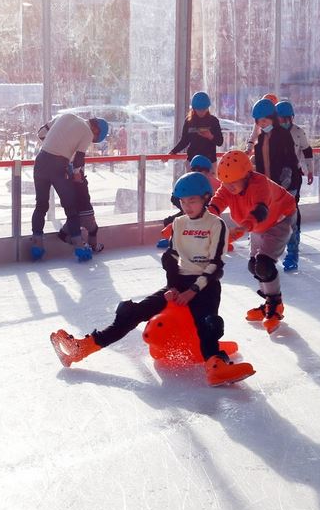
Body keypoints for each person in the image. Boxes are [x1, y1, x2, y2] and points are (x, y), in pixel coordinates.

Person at [50, 172, 256, 387]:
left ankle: (216, 366)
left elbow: (216, 264)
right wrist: (173, 287)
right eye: (183, 202)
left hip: (206, 286)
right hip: (179, 282)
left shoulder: (216, 225)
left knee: (208, 324)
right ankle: (83, 348)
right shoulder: (179, 223)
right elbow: (171, 256)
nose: (187, 206)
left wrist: (192, 291)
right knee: (131, 312)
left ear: (206, 198)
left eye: (192, 201)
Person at [209, 150, 297, 334]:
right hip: (256, 224)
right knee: (254, 266)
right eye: (225, 183)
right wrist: (203, 218)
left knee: (264, 265)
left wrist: (243, 227)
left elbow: (260, 210)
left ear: (247, 176)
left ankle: (275, 305)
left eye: (233, 183)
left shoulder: (260, 184)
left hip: (279, 219)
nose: (228, 187)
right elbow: (216, 203)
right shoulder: (228, 187)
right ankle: (269, 302)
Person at [32, 113, 108, 262]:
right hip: (58, 167)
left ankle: (37, 246)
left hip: (40, 161)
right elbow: (79, 160)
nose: (91, 141)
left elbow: (41, 133)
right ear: (96, 130)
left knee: (41, 205)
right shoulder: (87, 132)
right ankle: (79, 248)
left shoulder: (65, 116)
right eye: (94, 140)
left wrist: (54, 146)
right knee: (71, 208)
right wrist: (77, 176)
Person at [275, 100, 314, 271]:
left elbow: (307, 150)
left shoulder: (298, 132)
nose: (284, 122)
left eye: (287, 119)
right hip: (275, 177)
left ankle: (293, 249)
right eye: (281, 119)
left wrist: (310, 170)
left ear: (292, 118)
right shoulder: (271, 133)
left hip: (294, 175)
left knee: (291, 210)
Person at [156, 154, 219, 248]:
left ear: (209, 172)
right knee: (169, 221)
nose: (198, 173)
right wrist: (186, 205)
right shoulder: (187, 181)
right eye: (194, 170)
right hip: (189, 212)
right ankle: (173, 239)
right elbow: (174, 198)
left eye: (202, 170)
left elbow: (224, 195)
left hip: (206, 214)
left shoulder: (214, 183)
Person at [250, 98, 300, 193]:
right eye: (258, 122)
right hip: (267, 186)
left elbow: (291, 157)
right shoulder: (261, 138)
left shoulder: (283, 134)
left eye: (264, 121)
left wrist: (287, 173)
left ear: (272, 118)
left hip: (285, 185)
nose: (261, 124)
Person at [169, 91, 223, 163]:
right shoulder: (189, 122)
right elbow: (184, 141)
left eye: (204, 109)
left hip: (210, 161)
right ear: (194, 109)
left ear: (208, 108)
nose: (201, 112)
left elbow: (220, 142)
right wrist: (173, 152)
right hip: (192, 161)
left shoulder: (213, 121)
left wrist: (210, 136)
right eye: (199, 109)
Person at [56, 171, 103, 254]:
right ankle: (94, 246)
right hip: (88, 213)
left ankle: (81, 244)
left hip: (74, 216)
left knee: (62, 235)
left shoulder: (67, 187)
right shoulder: (83, 184)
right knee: (93, 230)